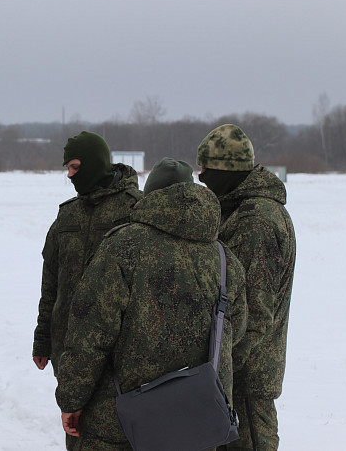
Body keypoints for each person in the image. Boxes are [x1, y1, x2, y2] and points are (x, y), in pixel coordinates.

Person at [54, 157, 248, 450]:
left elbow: (89, 336)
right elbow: (238, 331)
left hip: (121, 423)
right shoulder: (224, 259)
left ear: (150, 196)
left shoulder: (123, 247)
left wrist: (72, 399)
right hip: (195, 420)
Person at [32, 131, 142, 448]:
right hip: (69, 350)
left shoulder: (135, 210)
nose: (70, 175)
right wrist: (43, 338)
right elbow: (50, 281)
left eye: (76, 166)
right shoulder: (67, 215)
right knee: (76, 433)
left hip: (117, 356)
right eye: (67, 167)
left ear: (95, 163)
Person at [196, 124, 296, 450]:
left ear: (227, 171)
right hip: (234, 381)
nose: (200, 176)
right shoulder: (240, 210)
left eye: (207, 169)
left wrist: (220, 369)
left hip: (248, 383)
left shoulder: (257, 219)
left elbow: (254, 315)